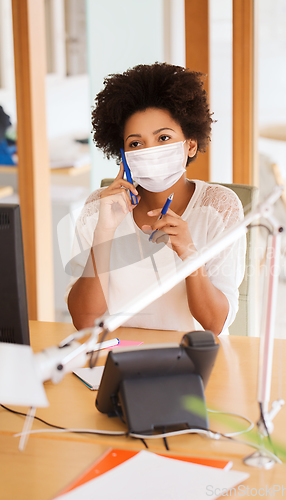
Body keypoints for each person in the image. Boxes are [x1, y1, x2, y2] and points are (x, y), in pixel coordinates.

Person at [66, 62, 246, 335]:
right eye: (136, 143)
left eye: (163, 137)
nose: (150, 151)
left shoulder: (219, 207)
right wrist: (104, 233)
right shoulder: (97, 209)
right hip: (117, 359)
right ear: (124, 154)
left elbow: (214, 323)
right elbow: (84, 321)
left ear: (191, 144)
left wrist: (189, 253)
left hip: (193, 361)